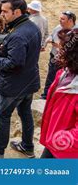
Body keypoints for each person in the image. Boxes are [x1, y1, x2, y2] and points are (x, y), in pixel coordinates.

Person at [0, 0, 41, 159]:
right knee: (25, 113)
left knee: (3, 115)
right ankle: (27, 146)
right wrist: (3, 49)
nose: (2, 14)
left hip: (14, 86)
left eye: (5, 11)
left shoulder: (18, 34)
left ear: (17, 12)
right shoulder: (31, 27)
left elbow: (15, 63)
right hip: (29, 82)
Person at [40, 29, 77, 159]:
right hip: (54, 140)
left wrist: (59, 141)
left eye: (63, 50)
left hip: (65, 149)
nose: (59, 53)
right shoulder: (64, 72)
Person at [41, 11, 76, 99]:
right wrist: (46, 42)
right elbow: (51, 36)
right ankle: (46, 95)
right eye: (60, 18)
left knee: (62, 78)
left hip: (67, 60)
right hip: (54, 56)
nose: (60, 20)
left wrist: (57, 44)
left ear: (70, 20)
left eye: (63, 19)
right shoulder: (58, 27)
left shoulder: (75, 32)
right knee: (51, 75)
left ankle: (56, 96)